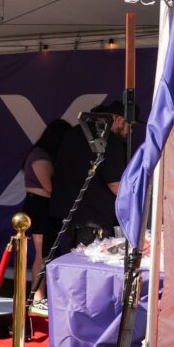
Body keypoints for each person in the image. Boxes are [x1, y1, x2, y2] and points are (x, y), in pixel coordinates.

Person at [48, 100, 130, 254]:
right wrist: (135, 202)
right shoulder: (110, 140)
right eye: (129, 126)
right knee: (89, 266)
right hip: (93, 218)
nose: (129, 133)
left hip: (67, 215)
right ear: (118, 119)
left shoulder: (73, 133)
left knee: (70, 263)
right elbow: (115, 185)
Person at [21, 119, 71, 314]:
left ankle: (41, 295)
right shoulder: (40, 156)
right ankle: (37, 297)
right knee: (42, 255)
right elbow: (51, 187)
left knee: (46, 253)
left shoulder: (41, 154)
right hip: (40, 208)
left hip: (42, 207)